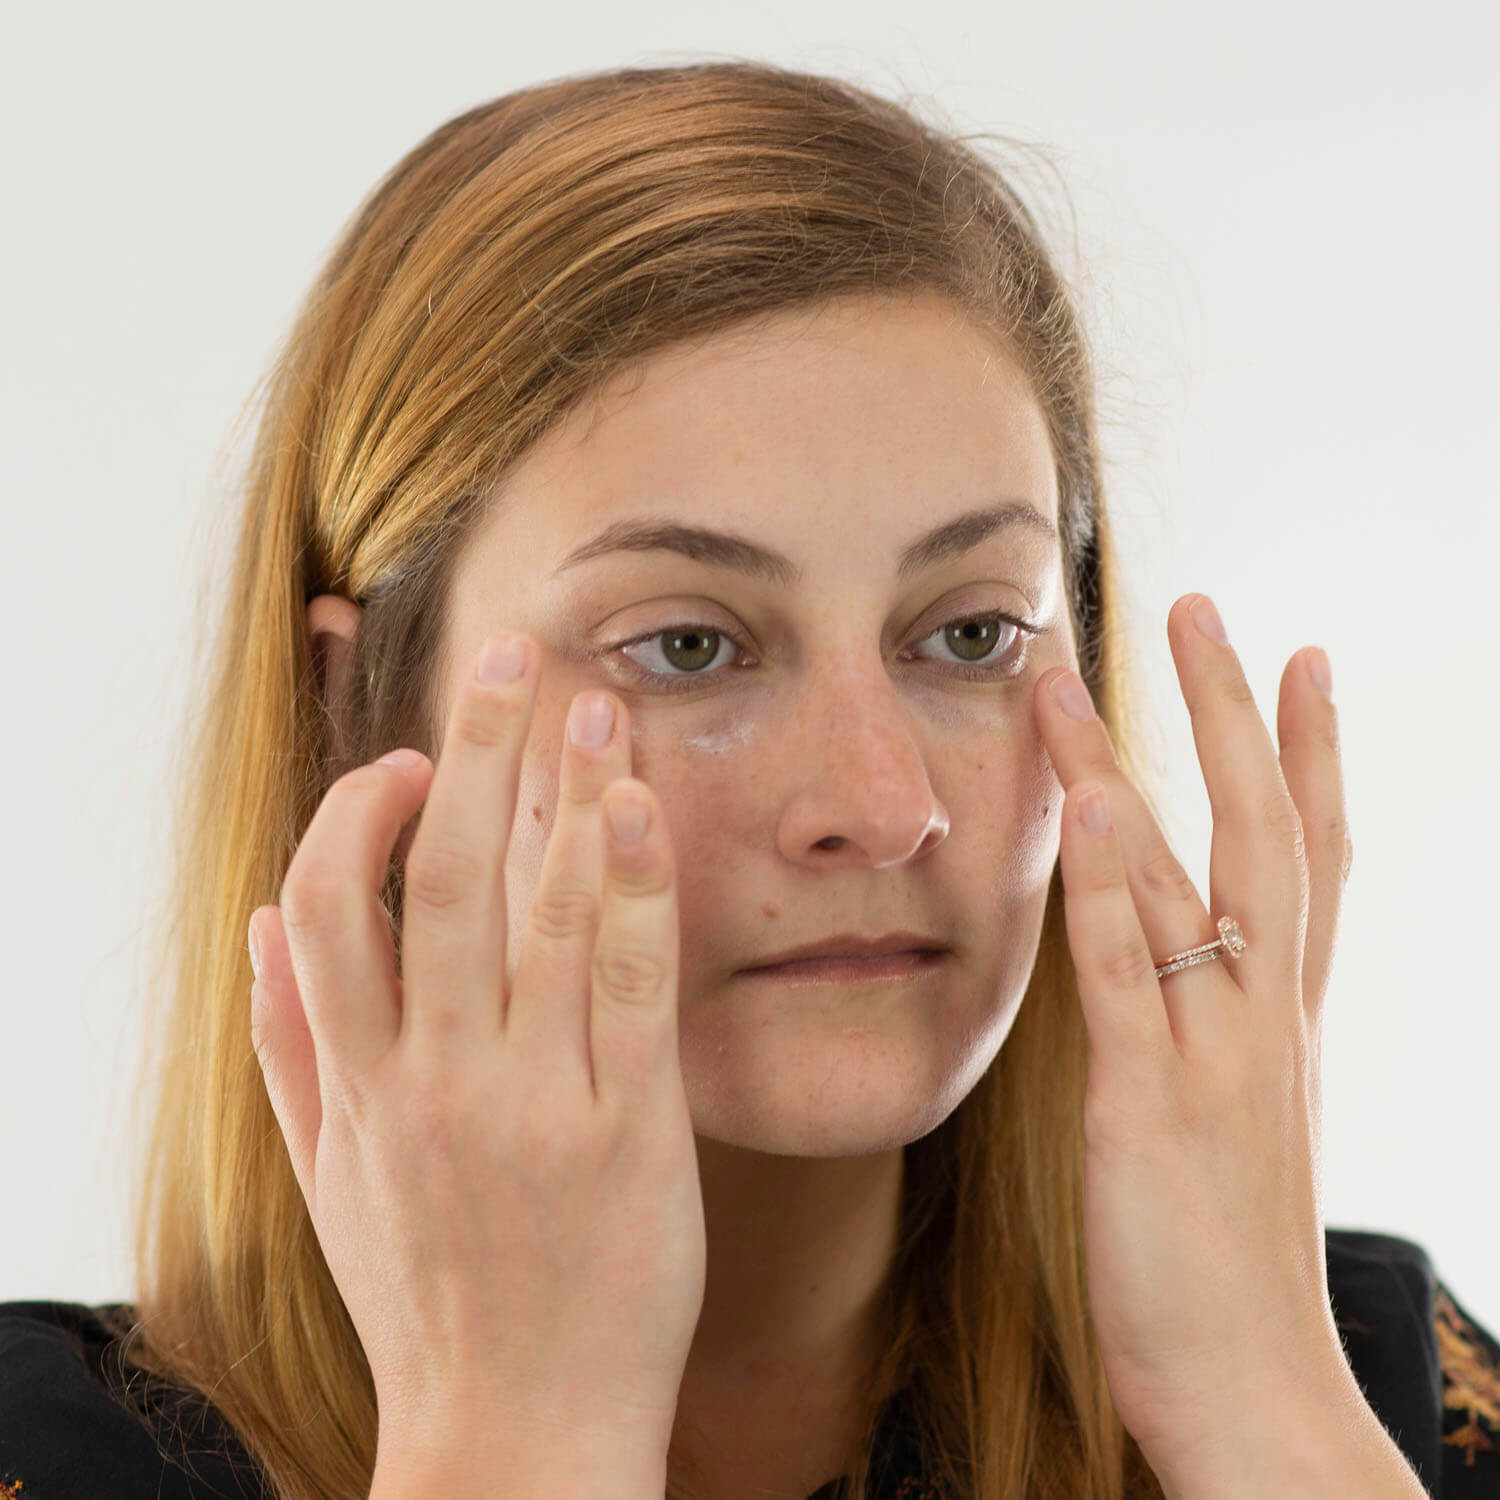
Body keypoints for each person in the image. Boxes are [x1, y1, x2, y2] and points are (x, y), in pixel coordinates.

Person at [2, 58, 1496, 1500]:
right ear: (362, 711)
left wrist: (1264, 1413)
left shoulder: (1370, 1387)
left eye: (971, 632)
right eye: (688, 647)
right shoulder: (62, 1454)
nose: (881, 797)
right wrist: (515, 1444)